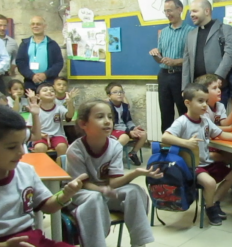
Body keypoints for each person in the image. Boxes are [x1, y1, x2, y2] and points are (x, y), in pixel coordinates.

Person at [66, 99, 162, 247]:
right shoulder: (75, 150)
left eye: (110, 117)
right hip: (82, 193)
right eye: (100, 117)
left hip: (106, 192)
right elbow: (80, 184)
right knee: (95, 198)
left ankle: (139, 243)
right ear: (83, 124)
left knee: (135, 191)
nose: (107, 121)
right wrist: (101, 189)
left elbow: (114, 183)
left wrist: (135, 173)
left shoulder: (115, 146)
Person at [162, 83, 232, 226]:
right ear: (188, 103)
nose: (204, 105)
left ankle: (212, 203)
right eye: (200, 101)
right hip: (191, 166)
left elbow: (221, 133)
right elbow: (165, 137)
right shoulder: (182, 121)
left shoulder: (205, 121)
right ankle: (211, 208)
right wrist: (186, 143)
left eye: (206, 101)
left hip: (206, 162)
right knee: (210, 182)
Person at [0, 104, 86, 247]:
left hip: (34, 240)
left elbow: (47, 207)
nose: (21, 152)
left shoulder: (26, 171)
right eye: (11, 147)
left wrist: (65, 194)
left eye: (23, 144)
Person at [149, 0, 194, 133]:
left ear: (180, 9)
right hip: (163, 76)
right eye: (166, 11)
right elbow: (160, 59)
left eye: (170, 10)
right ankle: (167, 146)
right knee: (165, 112)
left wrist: (176, 62)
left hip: (181, 76)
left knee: (184, 112)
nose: (168, 14)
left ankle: (185, 146)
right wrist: (155, 54)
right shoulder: (163, 32)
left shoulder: (191, 32)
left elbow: (193, 58)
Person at [182, 0, 232, 106]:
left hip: (217, 87)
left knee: (217, 120)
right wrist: (185, 87)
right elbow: (186, 61)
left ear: (207, 11)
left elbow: (231, 54)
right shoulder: (190, 34)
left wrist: (218, 77)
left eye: (194, 11)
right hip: (197, 90)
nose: (191, 15)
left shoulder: (225, 29)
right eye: (190, 12)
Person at [28, 83, 74, 164]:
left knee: (62, 147)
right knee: (40, 147)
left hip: (57, 135)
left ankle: (62, 170)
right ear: (38, 96)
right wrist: (42, 135)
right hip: (41, 136)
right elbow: (31, 128)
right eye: (45, 90)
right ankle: (41, 170)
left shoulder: (59, 107)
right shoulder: (36, 109)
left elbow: (69, 116)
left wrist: (69, 103)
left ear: (55, 95)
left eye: (52, 91)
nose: (49, 92)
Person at [16, 16, 63, 91]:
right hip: (30, 82)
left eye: (38, 24)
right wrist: (32, 76)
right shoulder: (24, 44)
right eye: (33, 24)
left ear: (44, 26)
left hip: (48, 83)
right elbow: (20, 62)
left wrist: (45, 74)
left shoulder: (52, 44)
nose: (35, 26)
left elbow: (59, 63)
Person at [105, 82, 147, 166]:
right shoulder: (108, 107)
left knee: (143, 134)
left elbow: (128, 121)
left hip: (125, 129)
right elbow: (113, 124)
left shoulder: (124, 106)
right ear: (109, 95)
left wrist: (133, 128)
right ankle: (111, 156)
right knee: (125, 137)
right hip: (113, 129)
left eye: (121, 92)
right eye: (115, 92)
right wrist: (128, 131)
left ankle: (133, 153)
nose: (119, 94)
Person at [0, 15, 18, 86]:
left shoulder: (12, 42)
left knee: (5, 96)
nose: (2, 28)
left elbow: (16, 57)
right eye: (0, 25)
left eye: (5, 26)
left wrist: (12, 68)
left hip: (4, 75)